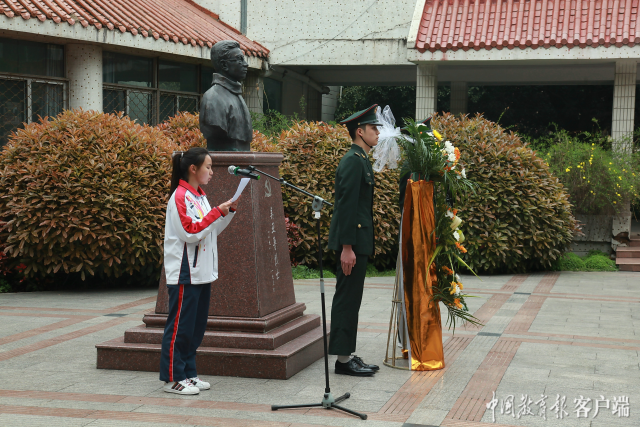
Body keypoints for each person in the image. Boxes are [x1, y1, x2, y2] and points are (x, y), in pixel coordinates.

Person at [160, 147, 239, 395]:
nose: (211, 172)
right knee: (180, 327)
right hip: (185, 273)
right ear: (193, 169)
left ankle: (188, 373)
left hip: (201, 272)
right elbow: (190, 232)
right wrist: (217, 212)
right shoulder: (180, 196)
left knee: (195, 328)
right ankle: (173, 378)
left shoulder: (200, 196)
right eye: (208, 167)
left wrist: (225, 214)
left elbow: (209, 230)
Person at [327, 104, 382, 377]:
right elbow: (346, 207)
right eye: (374, 128)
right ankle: (342, 361)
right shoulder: (352, 160)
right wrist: (347, 247)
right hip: (352, 244)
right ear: (360, 131)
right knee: (347, 300)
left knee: (351, 299)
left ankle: (346, 355)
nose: (378, 133)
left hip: (357, 242)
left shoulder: (360, 159)